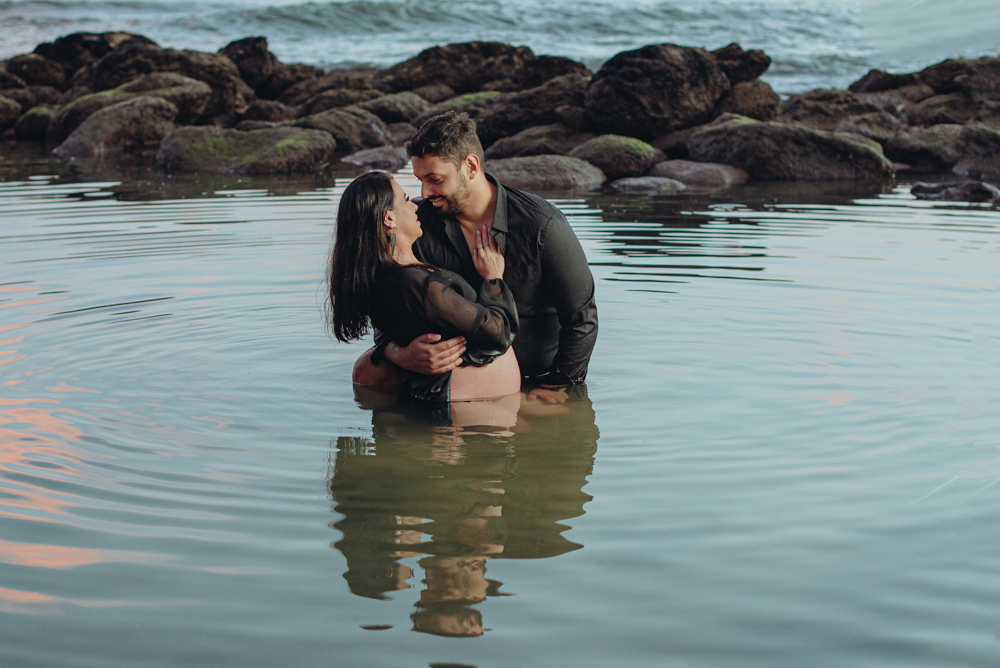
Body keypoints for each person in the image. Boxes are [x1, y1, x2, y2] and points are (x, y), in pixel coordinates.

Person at [356, 111, 598, 397]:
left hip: (533, 379)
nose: (424, 191)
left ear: (470, 166)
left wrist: (558, 387)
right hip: (445, 379)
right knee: (367, 373)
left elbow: (582, 318)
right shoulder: (419, 225)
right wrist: (399, 353)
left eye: (435, 179)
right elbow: (390, 305)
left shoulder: (541, 225)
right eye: (420, 179)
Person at [327, 170, 521, 402]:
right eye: (405, 200)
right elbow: (498, 333)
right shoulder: (418, 285)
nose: (415, 205)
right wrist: (493, 280)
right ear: (389, 218)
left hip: (456, 403)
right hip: (464, 412)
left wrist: (392, 351)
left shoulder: (382, 279)